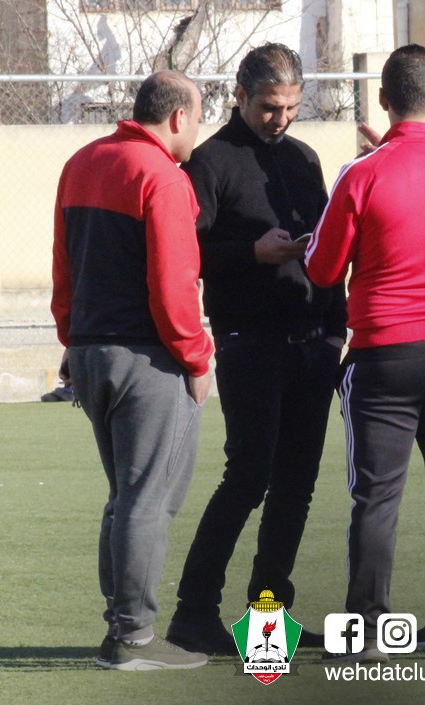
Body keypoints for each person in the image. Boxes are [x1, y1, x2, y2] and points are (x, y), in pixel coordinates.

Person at [305, 44, 425, 661]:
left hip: (386, 351)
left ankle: (367, 631)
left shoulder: (361, 173)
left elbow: (321, 268)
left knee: (377, 496)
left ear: (383, 99)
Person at [167, 44, 347, 656]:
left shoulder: (303, 158)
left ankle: (268, 624)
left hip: (312, 345)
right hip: (250, 344)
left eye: (292, 107)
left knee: (296, 486)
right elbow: (185, 255)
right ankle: (194, 613)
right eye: (271, 107)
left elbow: (329, 248)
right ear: (239, 96)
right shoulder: (210, 162)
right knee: (247, 478)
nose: (282, 118)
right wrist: (252, 253)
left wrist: (335, 329)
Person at [51, 71, 213, 671]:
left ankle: (120, 626)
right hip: (148, 358)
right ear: (177, 117)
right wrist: (197, 356)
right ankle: (134, 637)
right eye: (199, 118)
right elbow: (174, 285)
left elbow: (63, 265)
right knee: (149, 500)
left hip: (91, 351)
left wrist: (72, 338)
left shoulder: (82, 162)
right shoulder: (163, 177)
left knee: (125, 497)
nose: (198, 131)